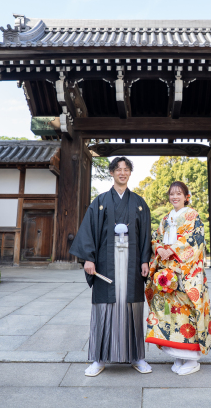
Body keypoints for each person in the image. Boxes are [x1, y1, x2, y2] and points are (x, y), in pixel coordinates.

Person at [68, 156, 152, 377]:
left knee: (133, 307)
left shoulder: (139, 203)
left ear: (130, 173)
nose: (122, 173)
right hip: (106, 263)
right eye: (118, 169)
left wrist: (145, 259)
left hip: (132, 263)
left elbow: (145, 234)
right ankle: (99, 359)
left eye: (126, 169)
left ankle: (137, 357)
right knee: (104, 308)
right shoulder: (100, 201)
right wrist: (88, 258)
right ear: (112, 173)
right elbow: (88, 230)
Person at [145, 181, 211, 376]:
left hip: (186, 272)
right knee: (170, 313)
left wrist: (172, 250)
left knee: (187, 312)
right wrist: (159, 248)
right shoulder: (166, 218)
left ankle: (192, 360)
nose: (174, 197)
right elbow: (156, 238)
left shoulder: (193, 215)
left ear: (186, 197)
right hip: (168, 272)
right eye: (172, 194)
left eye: (179, 193)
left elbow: (195, 241)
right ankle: (177, 355)